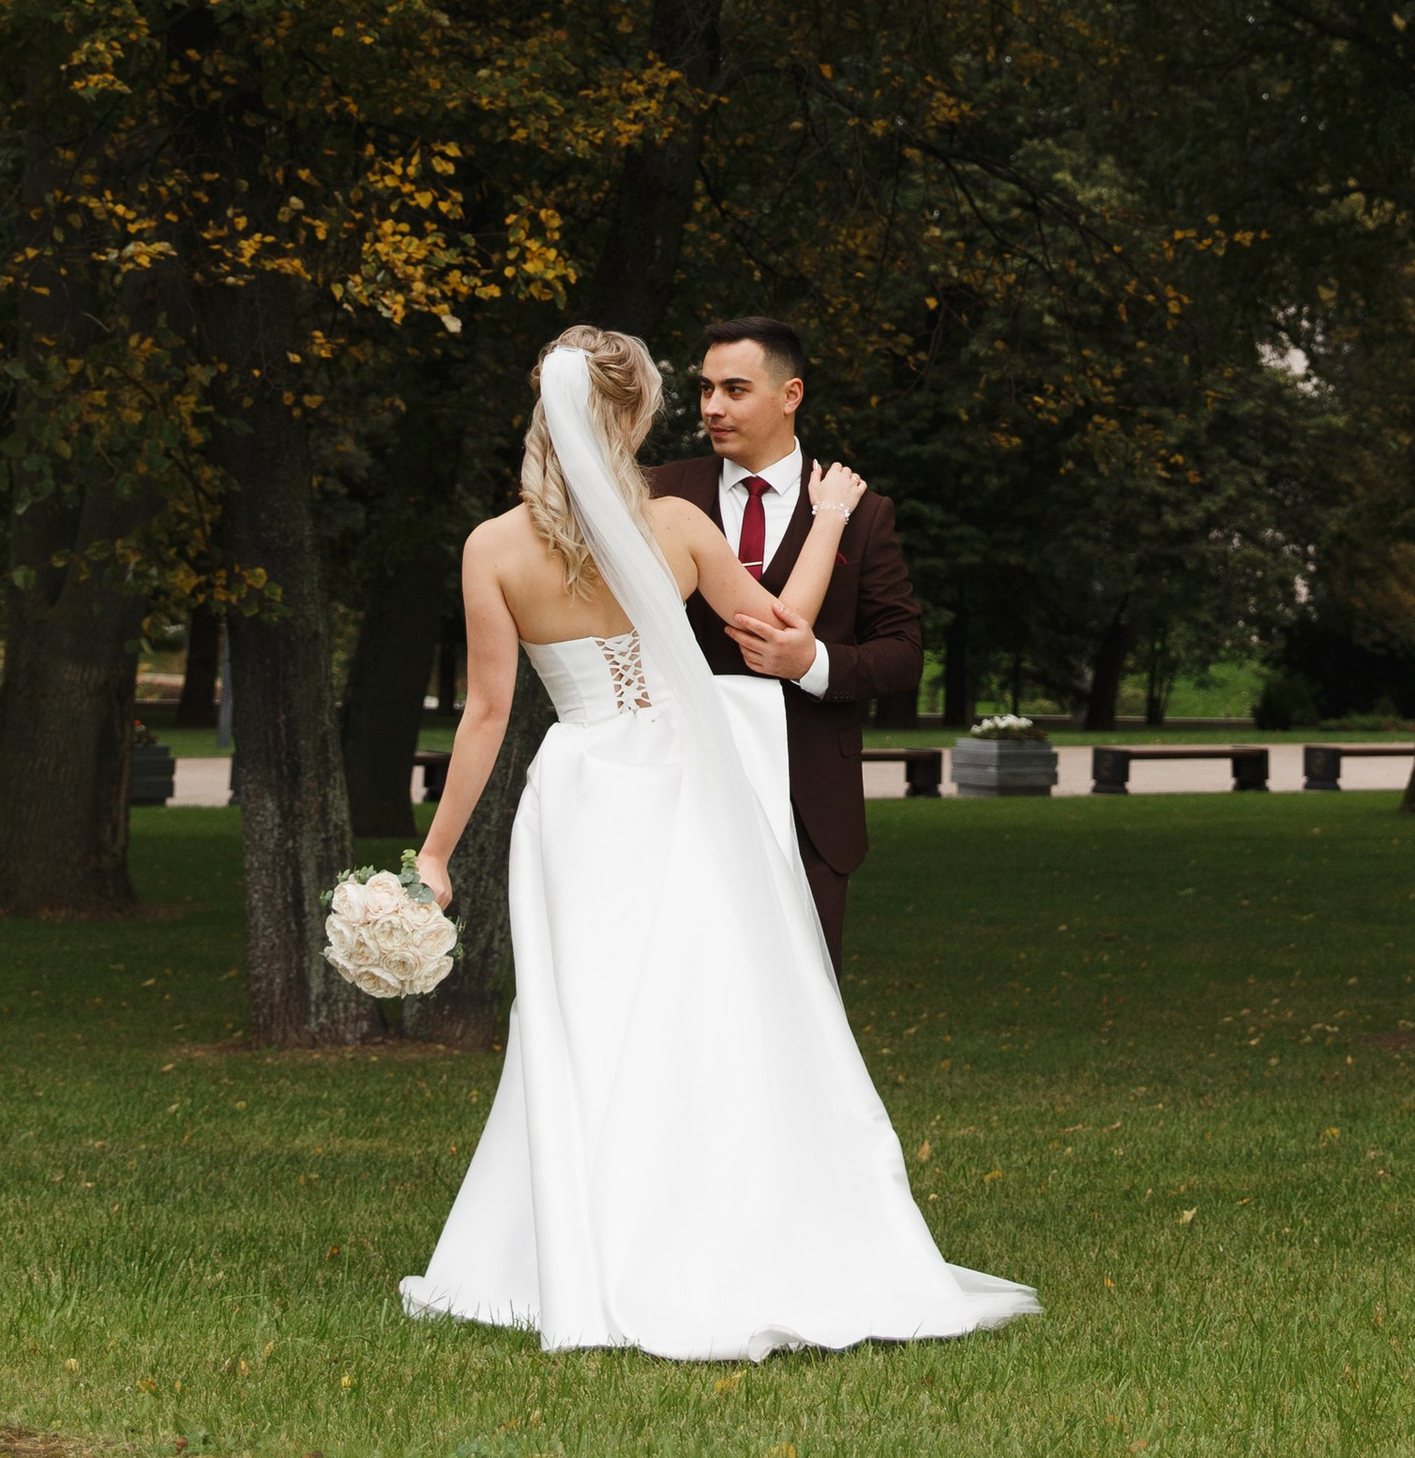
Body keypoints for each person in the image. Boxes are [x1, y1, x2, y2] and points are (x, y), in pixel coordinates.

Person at [399, 326, 1034, 1363]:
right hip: (685, 785)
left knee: (580, 1017)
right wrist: (825, 520)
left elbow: (484, 714)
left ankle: (566, 1248)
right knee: (706, 1007)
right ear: (637, 415)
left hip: (579, 793)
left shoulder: (491, 547)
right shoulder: (679, 524)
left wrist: (434, 855)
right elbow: (780, 630)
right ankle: (716, 1228)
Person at [642, 314, 920, 975]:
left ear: (790, 394)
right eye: (705, 388)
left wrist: (812, 663)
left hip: (810, 801)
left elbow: (904, 650)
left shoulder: (862, 511)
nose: (712, 406)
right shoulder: (654, 492)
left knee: (806, 1007)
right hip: (682, 789)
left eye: (734, 389)